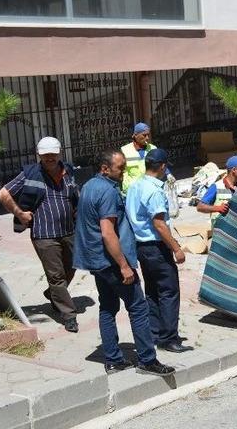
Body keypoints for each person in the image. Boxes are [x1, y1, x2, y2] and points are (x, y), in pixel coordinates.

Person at [73, 149, 174, 376]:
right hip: (111, 261)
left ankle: (113, 360)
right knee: (138, 307)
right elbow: (108, 232)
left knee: (108, 306)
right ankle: (148, 360)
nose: (123, 172)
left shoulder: (89, 186)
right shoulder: (108, 192)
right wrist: (124, 265)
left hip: (96, 260)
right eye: (120, 168)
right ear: (105, 169)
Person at [0, 137, 80, 332]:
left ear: (60, 153)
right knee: (56, 276)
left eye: (53, 154)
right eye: (45, 155)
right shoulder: (30, 173)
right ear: (39, 155)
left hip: (69, 231)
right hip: (44, 235)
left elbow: (75, 196)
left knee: (73, 267)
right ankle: (69, 315)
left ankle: (53, 294)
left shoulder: (68, 171)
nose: (49, 158)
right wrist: (20, 214)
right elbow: (3, 194)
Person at [126, 148, 190, 353]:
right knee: (169, 291)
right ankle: (169, 338)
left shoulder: (135, 186)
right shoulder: (154, 190)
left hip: (141, 246)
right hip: (155, 246)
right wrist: (176, 248)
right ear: (162, 166)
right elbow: (159, 224)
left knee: (153, 291)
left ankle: (154, 332)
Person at [196, 155, 237, 224]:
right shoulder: (217, 187)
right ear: (234, 170)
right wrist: (218, 208)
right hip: (221, 228)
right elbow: (200, 207)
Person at [121, 122, 156, 192]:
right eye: (144, 135)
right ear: (135, 135)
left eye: (148, 135)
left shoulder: (153, 148)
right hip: (131, 190)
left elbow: (159, 166)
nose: (147, 138)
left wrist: (168, 174)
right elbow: (122, 171)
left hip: (149, 189)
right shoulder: (124, 150)